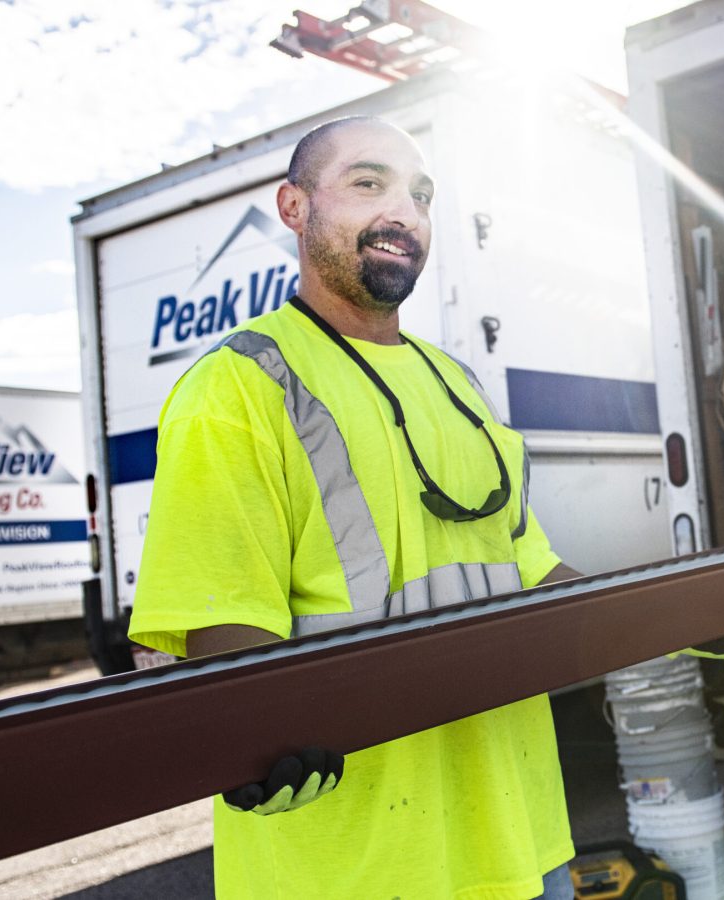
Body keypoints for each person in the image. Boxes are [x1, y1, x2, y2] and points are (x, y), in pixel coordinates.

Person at [128, 116, 582, 900]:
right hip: (354, 868)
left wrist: (700, 611)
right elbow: (221, 623)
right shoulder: (240, 385)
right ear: (294, 208)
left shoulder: (458, 386)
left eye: (421, 194)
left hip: (525, 846)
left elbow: (536, 574)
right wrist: (253, 733)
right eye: (368, 183)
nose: (404, 211)